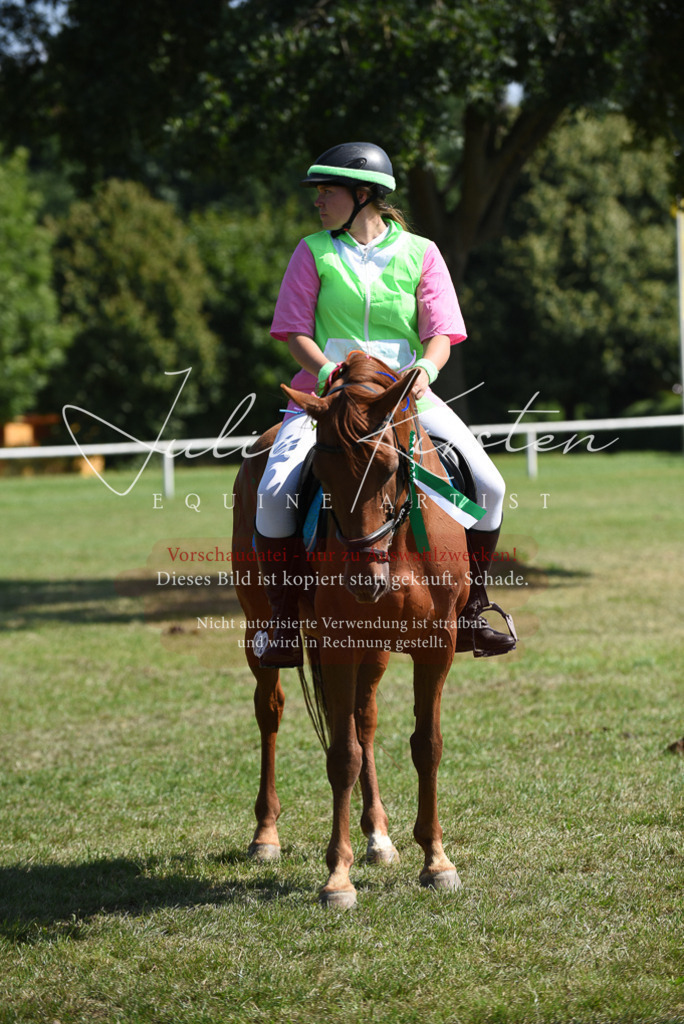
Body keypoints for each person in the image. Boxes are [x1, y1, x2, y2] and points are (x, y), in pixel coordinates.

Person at [254, 142, 516, 667]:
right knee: (272, 490)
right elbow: (293, 333)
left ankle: (472, 608)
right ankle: (283, 619)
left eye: (327, 191)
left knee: (490, 485)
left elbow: (441, 333)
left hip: (405, 393)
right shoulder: (313, 252)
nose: (318, 201)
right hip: (330, 394)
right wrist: (331, 375)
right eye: (319, 192)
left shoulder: (423, 252)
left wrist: (428, 369)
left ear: (364, 194)